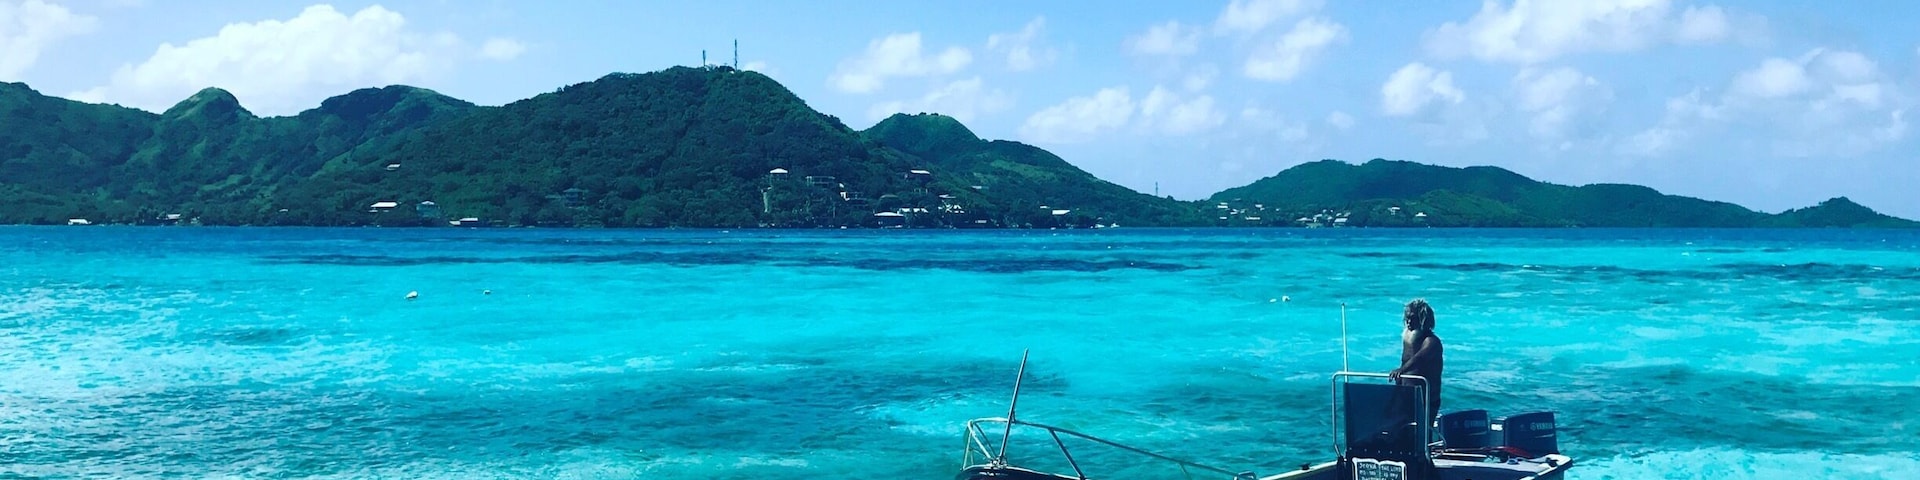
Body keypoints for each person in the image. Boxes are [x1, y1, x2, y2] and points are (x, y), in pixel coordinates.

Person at [1389, 299, 1444, 421]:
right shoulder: (1408, 340)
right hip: (1406, 395)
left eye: (1412, 319)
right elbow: (1404, 361)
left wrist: (1401, 370)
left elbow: (1418, 359)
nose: (1408, 322)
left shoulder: (1431, 341)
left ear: (1422, 320)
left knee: (1422, 431)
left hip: (1425, 400)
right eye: (1407, 318)